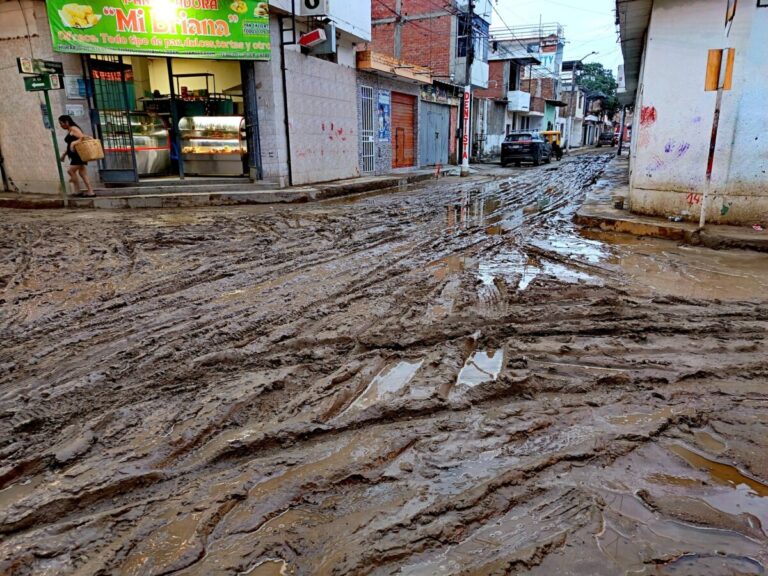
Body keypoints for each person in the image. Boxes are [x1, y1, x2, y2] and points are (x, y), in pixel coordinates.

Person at [58, 115, 95, 197]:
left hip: (78, 155)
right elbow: (70, 144)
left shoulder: (74, 128)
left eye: (61, 123)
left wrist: (73, 143)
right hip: (76, 155)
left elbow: (83, 137)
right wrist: (64, 154)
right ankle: (91, 192)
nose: (61, 125)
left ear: (66, 122)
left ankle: (77, 190)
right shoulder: (70, 129)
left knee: (70, 171)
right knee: (83, 173)